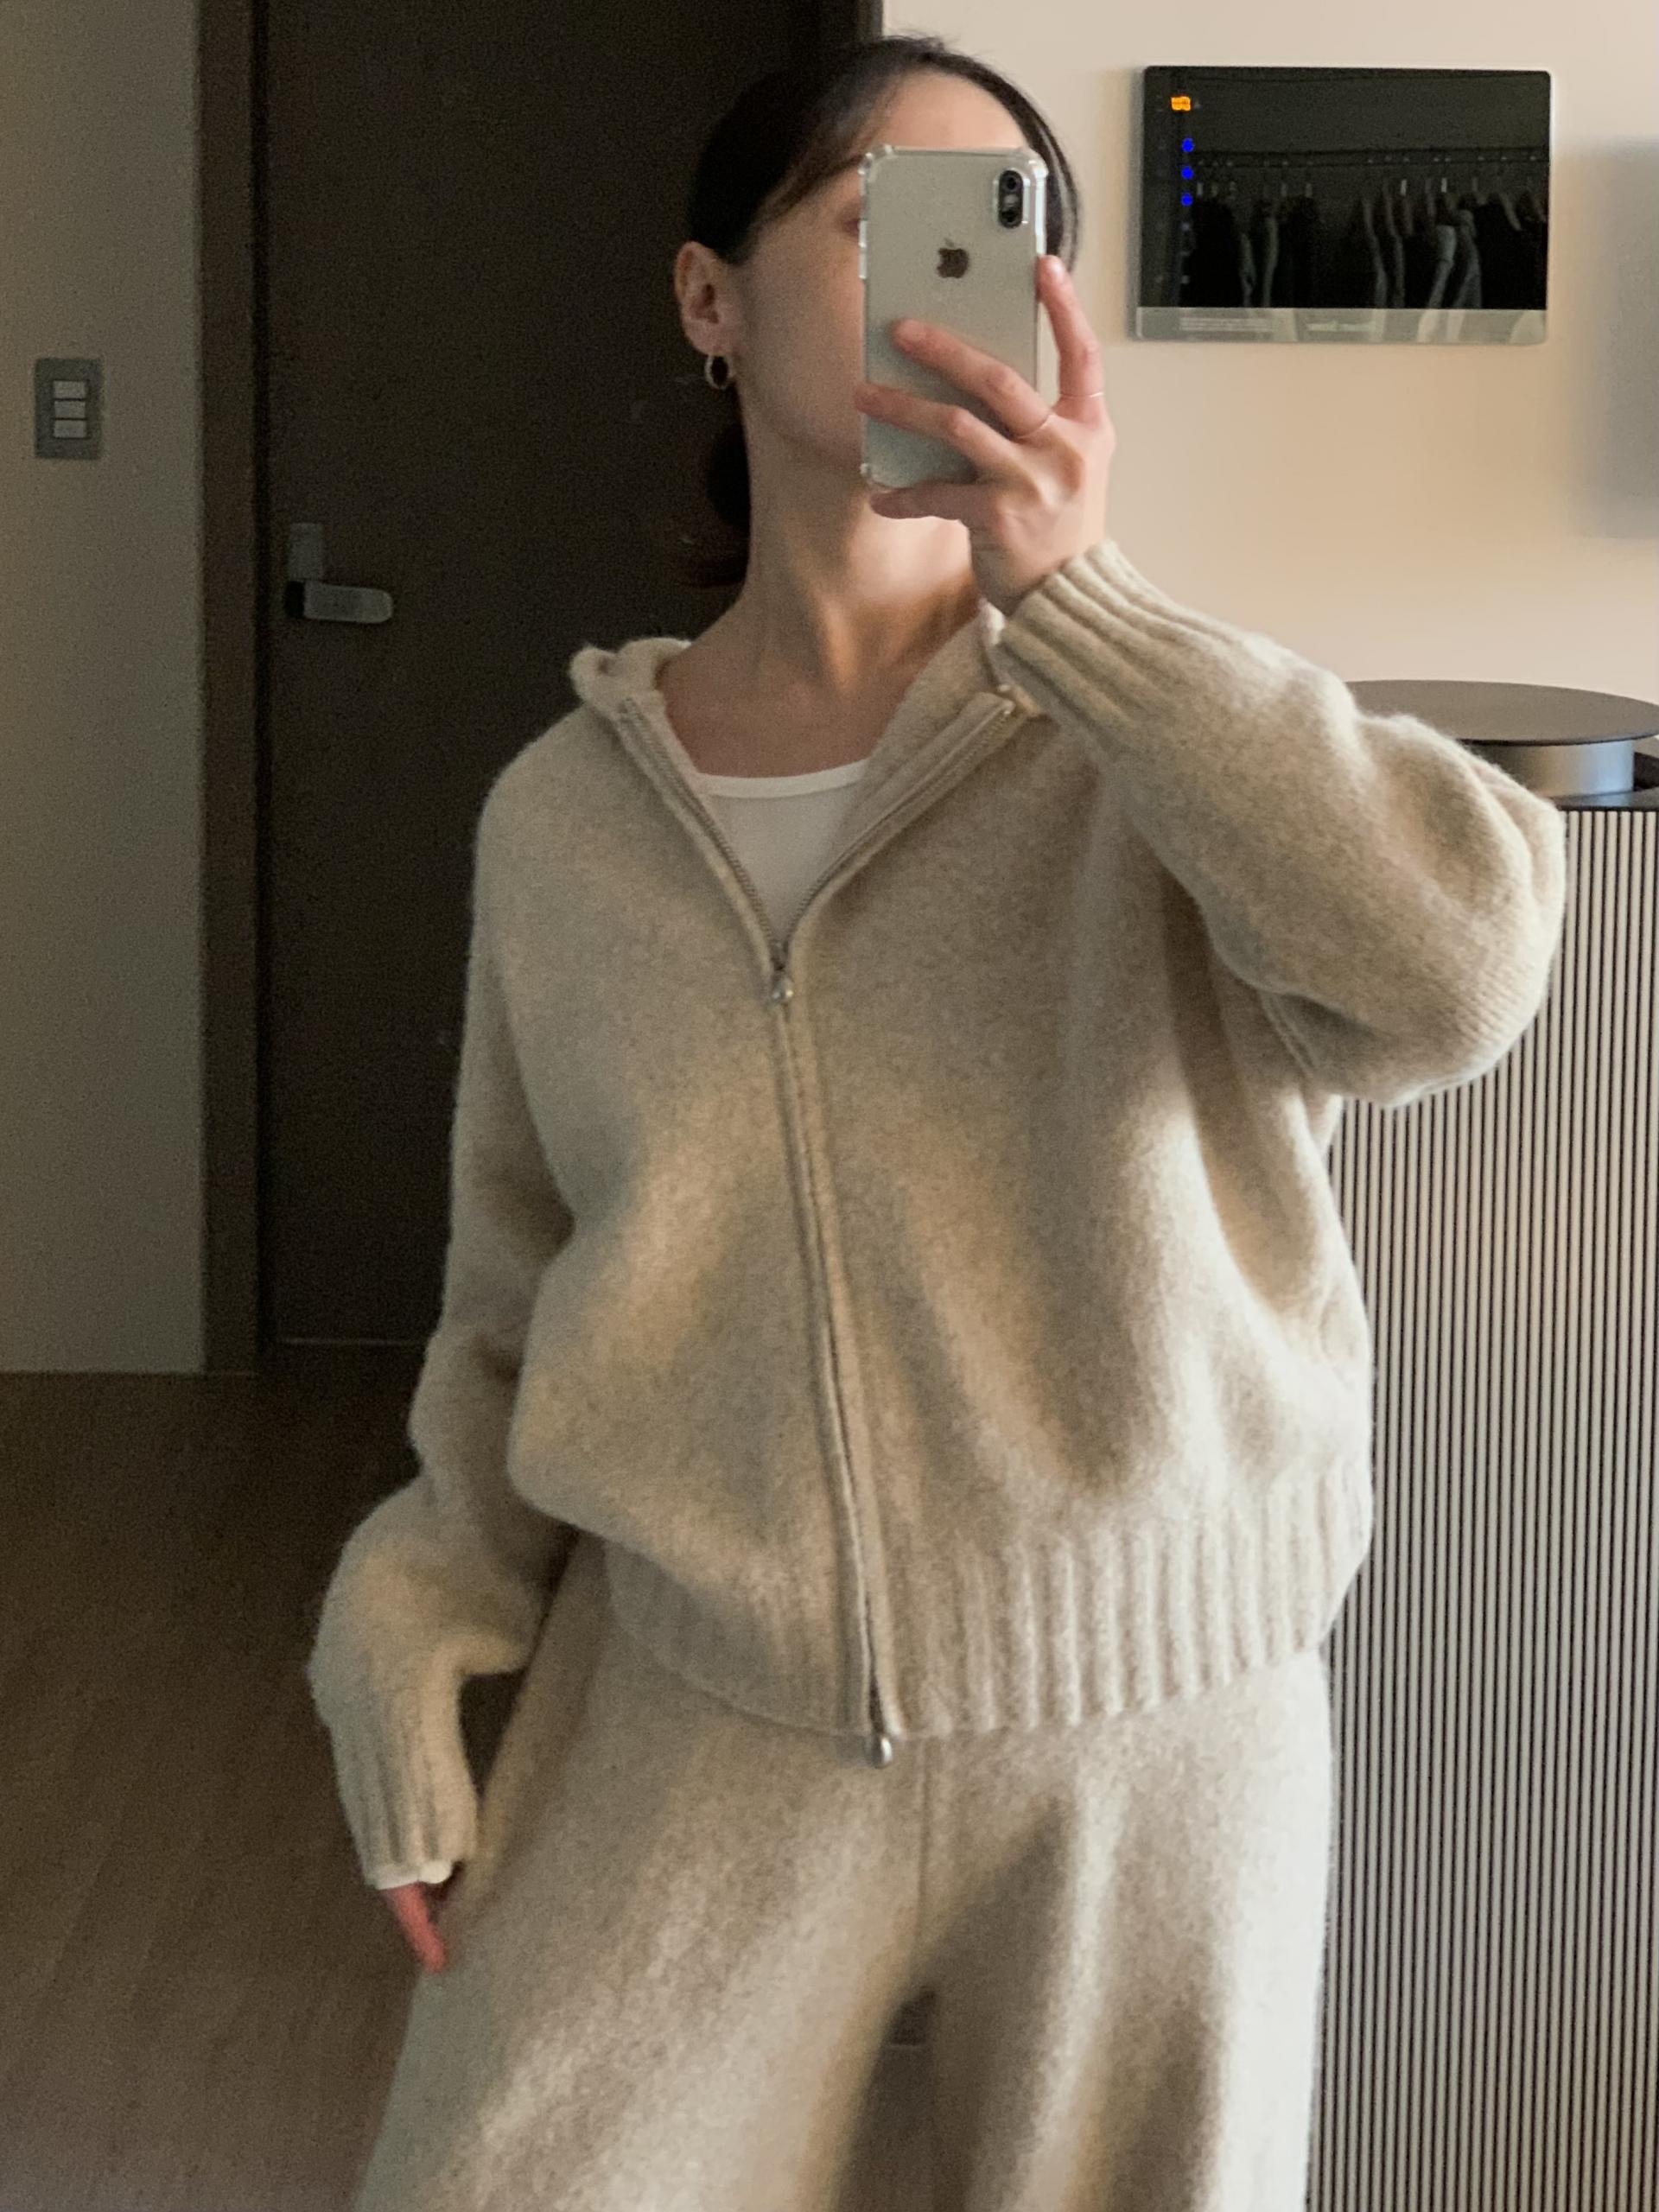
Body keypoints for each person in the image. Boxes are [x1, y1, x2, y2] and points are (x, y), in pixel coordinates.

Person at [303, 33, 1568, 2212]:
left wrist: (1078, 608)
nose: (953, 280)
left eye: (1007, 230)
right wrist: (415, 1606)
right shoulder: (565, 820)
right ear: (709, 297)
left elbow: (1458, 977)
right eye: (882, 218)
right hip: (707, 1697)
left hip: (1153, 1732)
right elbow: (516, 1290)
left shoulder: (1148, 736)